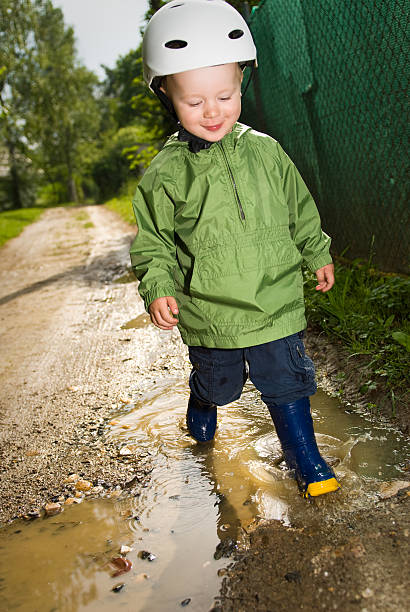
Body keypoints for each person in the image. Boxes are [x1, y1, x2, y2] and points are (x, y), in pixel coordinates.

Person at [130, 0, 340, 498]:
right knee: (220, 384)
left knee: (288, 382)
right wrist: (159, 286)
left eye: (224, 95)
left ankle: (306, 460)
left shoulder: (266, 151)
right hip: (211, 311)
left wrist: (317, 250)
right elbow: (153, 241)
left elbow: (299, 207)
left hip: (276, 302)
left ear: (241, 82)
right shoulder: (166, 173)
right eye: (194, 101)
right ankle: (202, 402)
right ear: (167, 95)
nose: (213, 111)